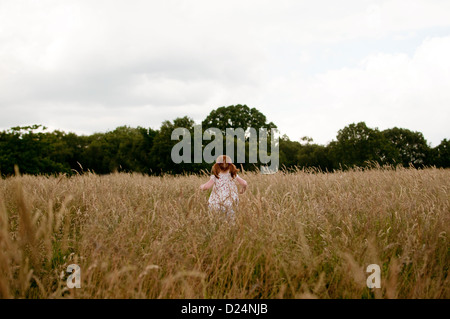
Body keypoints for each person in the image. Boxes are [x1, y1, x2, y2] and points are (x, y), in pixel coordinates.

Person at [199, 155, 248, 219]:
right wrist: (243, 190)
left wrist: (201, 186)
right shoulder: (233, 176)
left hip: (215, 204)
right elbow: (244, 183)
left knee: (216, 223)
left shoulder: (215, 177)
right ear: (230, 165)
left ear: (217, 166)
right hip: (230, 204)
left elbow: (206, 187)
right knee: (230, 224)